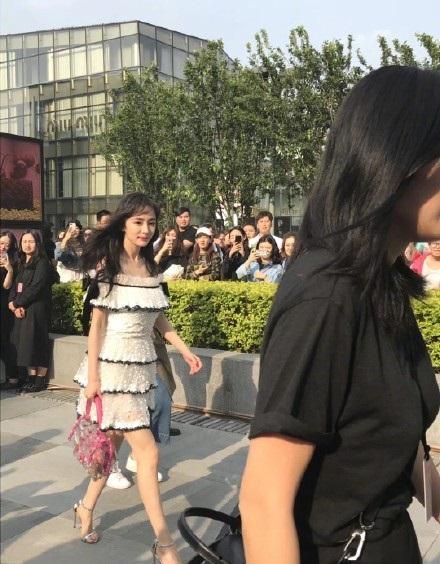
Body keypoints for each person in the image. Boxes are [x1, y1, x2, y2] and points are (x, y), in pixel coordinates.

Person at [239, 66, 440, 564]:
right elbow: (263, 502)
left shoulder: (383, 281)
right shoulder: (327, 295)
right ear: (397, 160)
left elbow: (389, 442)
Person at [72, 192, 202, 564]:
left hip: (141, 368)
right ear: (123, 223)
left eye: (151, 222)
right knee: (148, 451)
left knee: (111, 446)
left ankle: (85, 506)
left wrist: (184, 349)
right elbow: (96, 326)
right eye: (138, 222)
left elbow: (158, 316)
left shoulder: (150, 266)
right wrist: (93, 378)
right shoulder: (107, 264)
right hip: (112, 370)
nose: (145, 229)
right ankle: (164, 543)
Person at [9, 231, 55, 393]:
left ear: (37, 244)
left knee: (38, 341)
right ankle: (31, 378)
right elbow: (15, 285)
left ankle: (39, 380)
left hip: (38, 308)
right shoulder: (21, 262)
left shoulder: (42, 262)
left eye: (31, 241)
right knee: (27, 343)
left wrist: (17, 303)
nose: (27, 245)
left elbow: (36, 287)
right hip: (23, 307)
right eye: (25, 241)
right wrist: (13, 304)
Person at [0, 231, 19, 390]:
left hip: (4, 306)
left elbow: (6, 286)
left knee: (5, 342)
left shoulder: (13, 261)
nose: (3, 247)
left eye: (7, 244)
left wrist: (9, 270)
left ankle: (13, 378)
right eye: (1, 243)